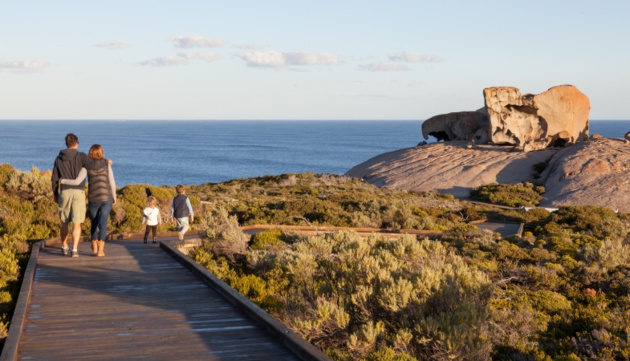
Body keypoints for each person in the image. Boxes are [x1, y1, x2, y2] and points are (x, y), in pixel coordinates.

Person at [61, 144, 116, 257]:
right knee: (103, 221)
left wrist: (63, 181)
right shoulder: (106, 164)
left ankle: (94, 245)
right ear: (102, 153)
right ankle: (101, 249)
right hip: (107, 197)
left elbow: (77, 181)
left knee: (94, 222)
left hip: (94, 198)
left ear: (90, 153)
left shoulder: (86, 167)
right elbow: (112, 182)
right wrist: (114, 196)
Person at [51, 133, 90, 258]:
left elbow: (54, 179)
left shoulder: (58, 158)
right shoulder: (82, 156)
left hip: (65, 191)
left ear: (66, 144)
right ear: (76, 143)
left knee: (64, 222)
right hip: (79, 192)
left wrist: (55, 194)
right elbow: (93, 167)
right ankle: (74, 250)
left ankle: (64, 246)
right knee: (77, 223)